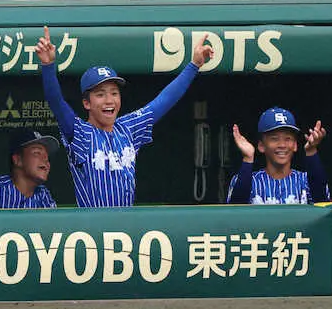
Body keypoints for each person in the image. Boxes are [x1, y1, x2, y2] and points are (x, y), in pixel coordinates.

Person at [36, 26, 213, 207]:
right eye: (100, 94)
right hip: (93, 228)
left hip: (126, 227)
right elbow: (56, 102)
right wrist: (48, 66)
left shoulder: (127, 128)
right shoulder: (80, 133)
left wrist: (194, 65)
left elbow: (164, 100)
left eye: (114, 93)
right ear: (87, 103)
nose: (109, 100)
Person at [227, 107, 330, 204]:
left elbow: (322, 203)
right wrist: (248, 158)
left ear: (295, 145)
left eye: (288, 138)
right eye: (274, 138)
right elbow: (234, 213)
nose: (282, 145)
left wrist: (311, 151)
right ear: (261, 145)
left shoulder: (306, 181)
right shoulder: (249, 180)